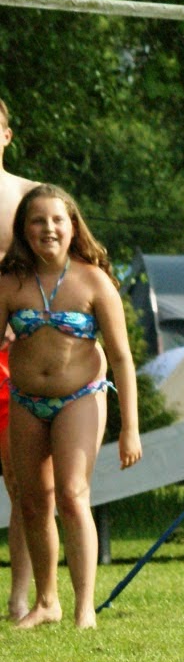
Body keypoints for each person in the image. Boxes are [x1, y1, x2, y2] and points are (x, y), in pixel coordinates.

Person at [1, 185, 142, 628]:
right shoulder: (9, 284)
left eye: (57, 220)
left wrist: (130, 428)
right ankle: (47, 602)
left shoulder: (93, 280)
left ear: (73, 225)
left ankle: (84, 608)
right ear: (24, 230)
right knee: (31, 502)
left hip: (80, 396)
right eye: (38, 221)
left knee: (72, 495)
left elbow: (121, 358)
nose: (48, 229)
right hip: (25, 400)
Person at [0, 97, 39, 620]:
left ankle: (23, 595)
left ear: (6, 135)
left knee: (23, 479)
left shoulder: (32, 198)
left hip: (17, 353)